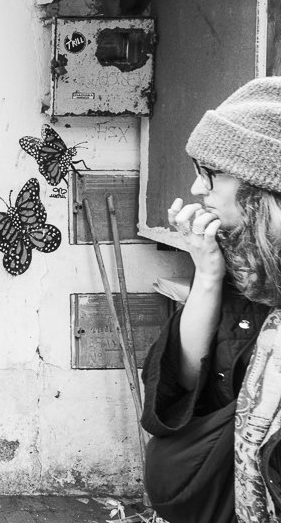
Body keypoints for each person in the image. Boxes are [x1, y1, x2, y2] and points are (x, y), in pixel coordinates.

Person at [141, 78, 281, 523]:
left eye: (212, 174)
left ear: (263, 188)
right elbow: (184, 381)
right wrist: (207, 271)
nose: (198, 190)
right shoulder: (248, 269)